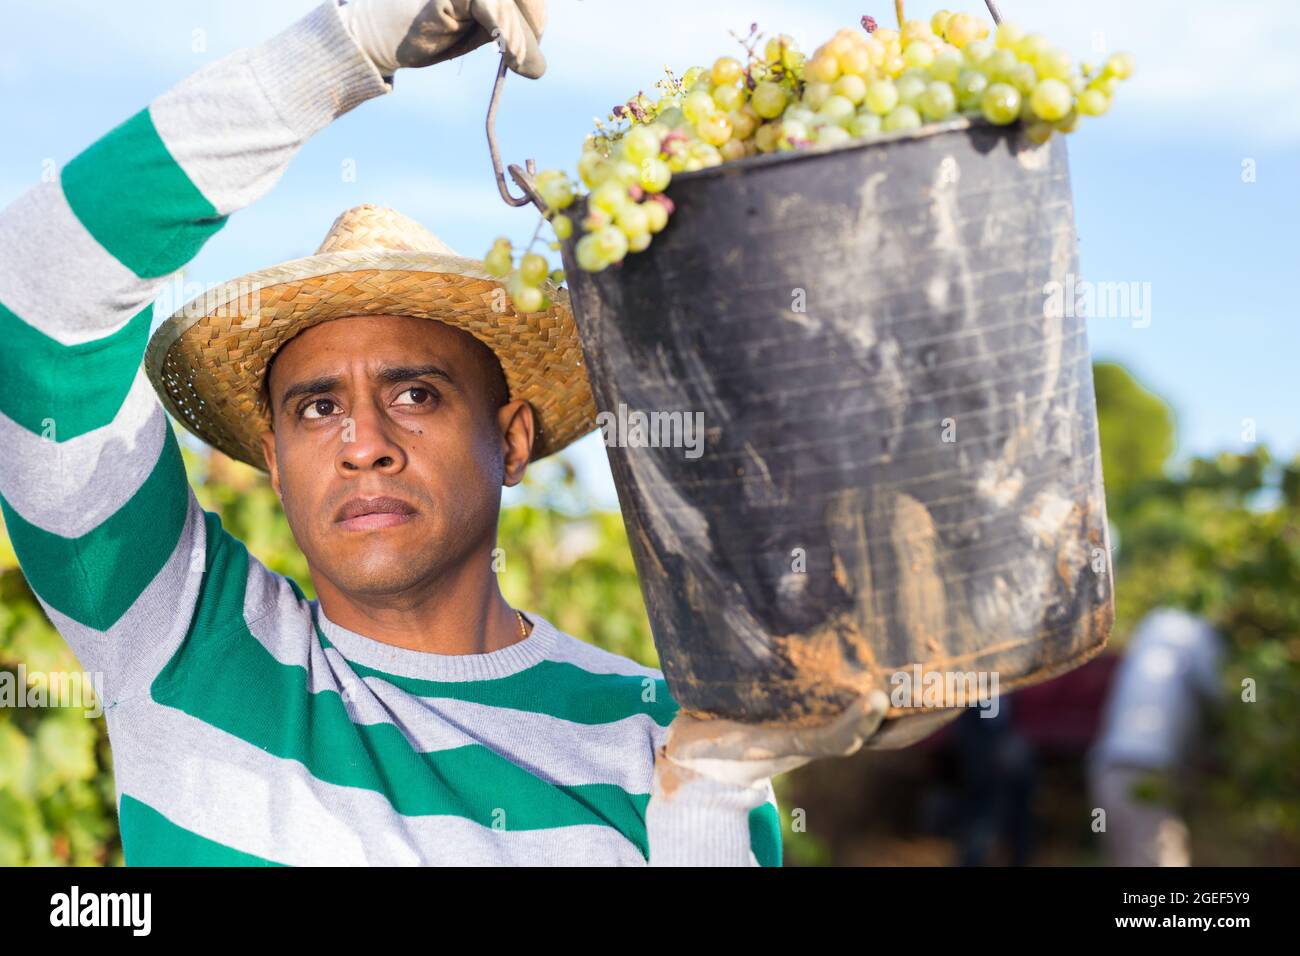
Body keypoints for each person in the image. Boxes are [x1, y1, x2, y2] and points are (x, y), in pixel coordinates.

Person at [0, 0, 889, 866]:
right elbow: (40, 290)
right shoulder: (179, 639)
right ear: (271, 460)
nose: (363, 443)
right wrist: (340, 46)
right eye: (316, 407)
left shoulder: (655, 737)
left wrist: (705, 796)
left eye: (416, 395)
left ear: (511, 441)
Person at [1086, 608, 1225, 867]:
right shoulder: (1197, 635)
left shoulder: (1153, 626)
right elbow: (1218, 694)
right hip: (1145, 768)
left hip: (1108, 768)